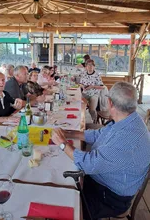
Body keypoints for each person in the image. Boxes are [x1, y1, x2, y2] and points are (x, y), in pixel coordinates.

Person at [52, 82, 150, 220]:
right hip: (106, 180)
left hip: (111, 197)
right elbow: (98, 134)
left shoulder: (127, 138)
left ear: (109, 103)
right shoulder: (129, 119)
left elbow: (88, 164)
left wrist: (63, 144)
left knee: (62, 204)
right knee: (60, 178)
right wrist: (69, 134)